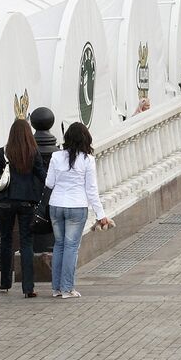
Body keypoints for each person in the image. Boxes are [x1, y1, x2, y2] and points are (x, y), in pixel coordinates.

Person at [45, 121, 114, 298]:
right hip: (76, 206)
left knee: (59, 245)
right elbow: (91, 190)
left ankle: (57, 288)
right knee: (71, 248)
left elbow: (49, 183)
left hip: (56, 205)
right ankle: (68, 288)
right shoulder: (88, 160)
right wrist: (101, 215)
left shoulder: (56, 157)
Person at [0, 115, 50, 296]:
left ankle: (5, 283)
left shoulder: (4, 152)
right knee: (26, 243)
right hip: (27, 202)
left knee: (6, 241)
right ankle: (28, 288)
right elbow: (43, 177)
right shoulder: (33, 153)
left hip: (6, 202)